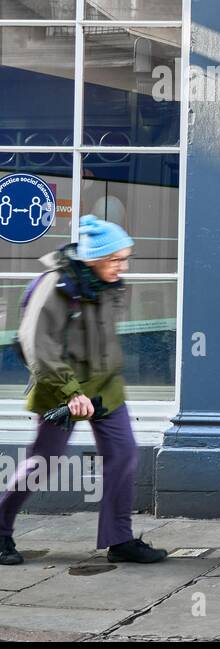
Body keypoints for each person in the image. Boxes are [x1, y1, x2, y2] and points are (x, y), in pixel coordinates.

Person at [0, 215, 167, 566]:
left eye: (125, 259)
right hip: (60, 389)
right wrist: (71, 392)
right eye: (116, 259)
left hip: (105, 388)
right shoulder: (55, 285)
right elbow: (37, 344)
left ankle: (119, 539)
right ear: (94, 258)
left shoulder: (105, 284)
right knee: (43, 461)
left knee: (123, 454)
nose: (123, 267)